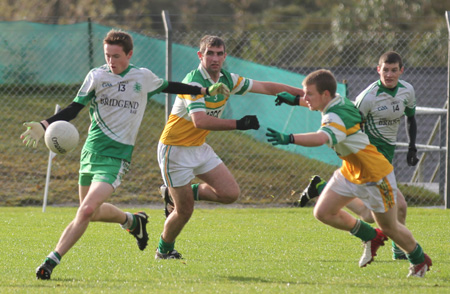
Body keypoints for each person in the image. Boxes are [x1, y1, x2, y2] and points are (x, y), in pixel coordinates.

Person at [20, 29, 229, 280]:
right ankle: (132, 222)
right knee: (91, 212)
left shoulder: (142, 77)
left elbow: (171, 86)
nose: (111, 61)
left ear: (129, 54)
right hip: (90, 153)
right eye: (107, 55)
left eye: (117, 56)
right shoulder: (96, 76)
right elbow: (74, 109)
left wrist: (205, 92)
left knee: (86, 211)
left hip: (116, 158)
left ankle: (51, 260)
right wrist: (44, 125)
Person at [266, 69, 431, 277]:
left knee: (389, 227)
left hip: (375, 175)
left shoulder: (335, 117)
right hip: (350, 171)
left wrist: (289, 138)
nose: (305, 97)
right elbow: (316, 104)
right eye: (304, 93)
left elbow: (320, 138)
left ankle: (419, 260)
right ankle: (371, 236)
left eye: (309, 93)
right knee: (323, 212)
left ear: (325, 94)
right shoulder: (337, 101)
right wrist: (295, 100)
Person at [155, 35, 304, 259]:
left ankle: (174, 194)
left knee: (229, 193)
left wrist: (303, 94)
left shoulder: (227, 78)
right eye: (209, 53)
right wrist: (239, 124)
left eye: (219, 53)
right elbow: (200, 121)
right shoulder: (194, 82)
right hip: (174, 151)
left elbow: (264, 86)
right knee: (185, 211)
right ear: (200, 55)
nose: (214, 58)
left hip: (198, 146)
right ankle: (163, 251)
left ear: (225, 56)